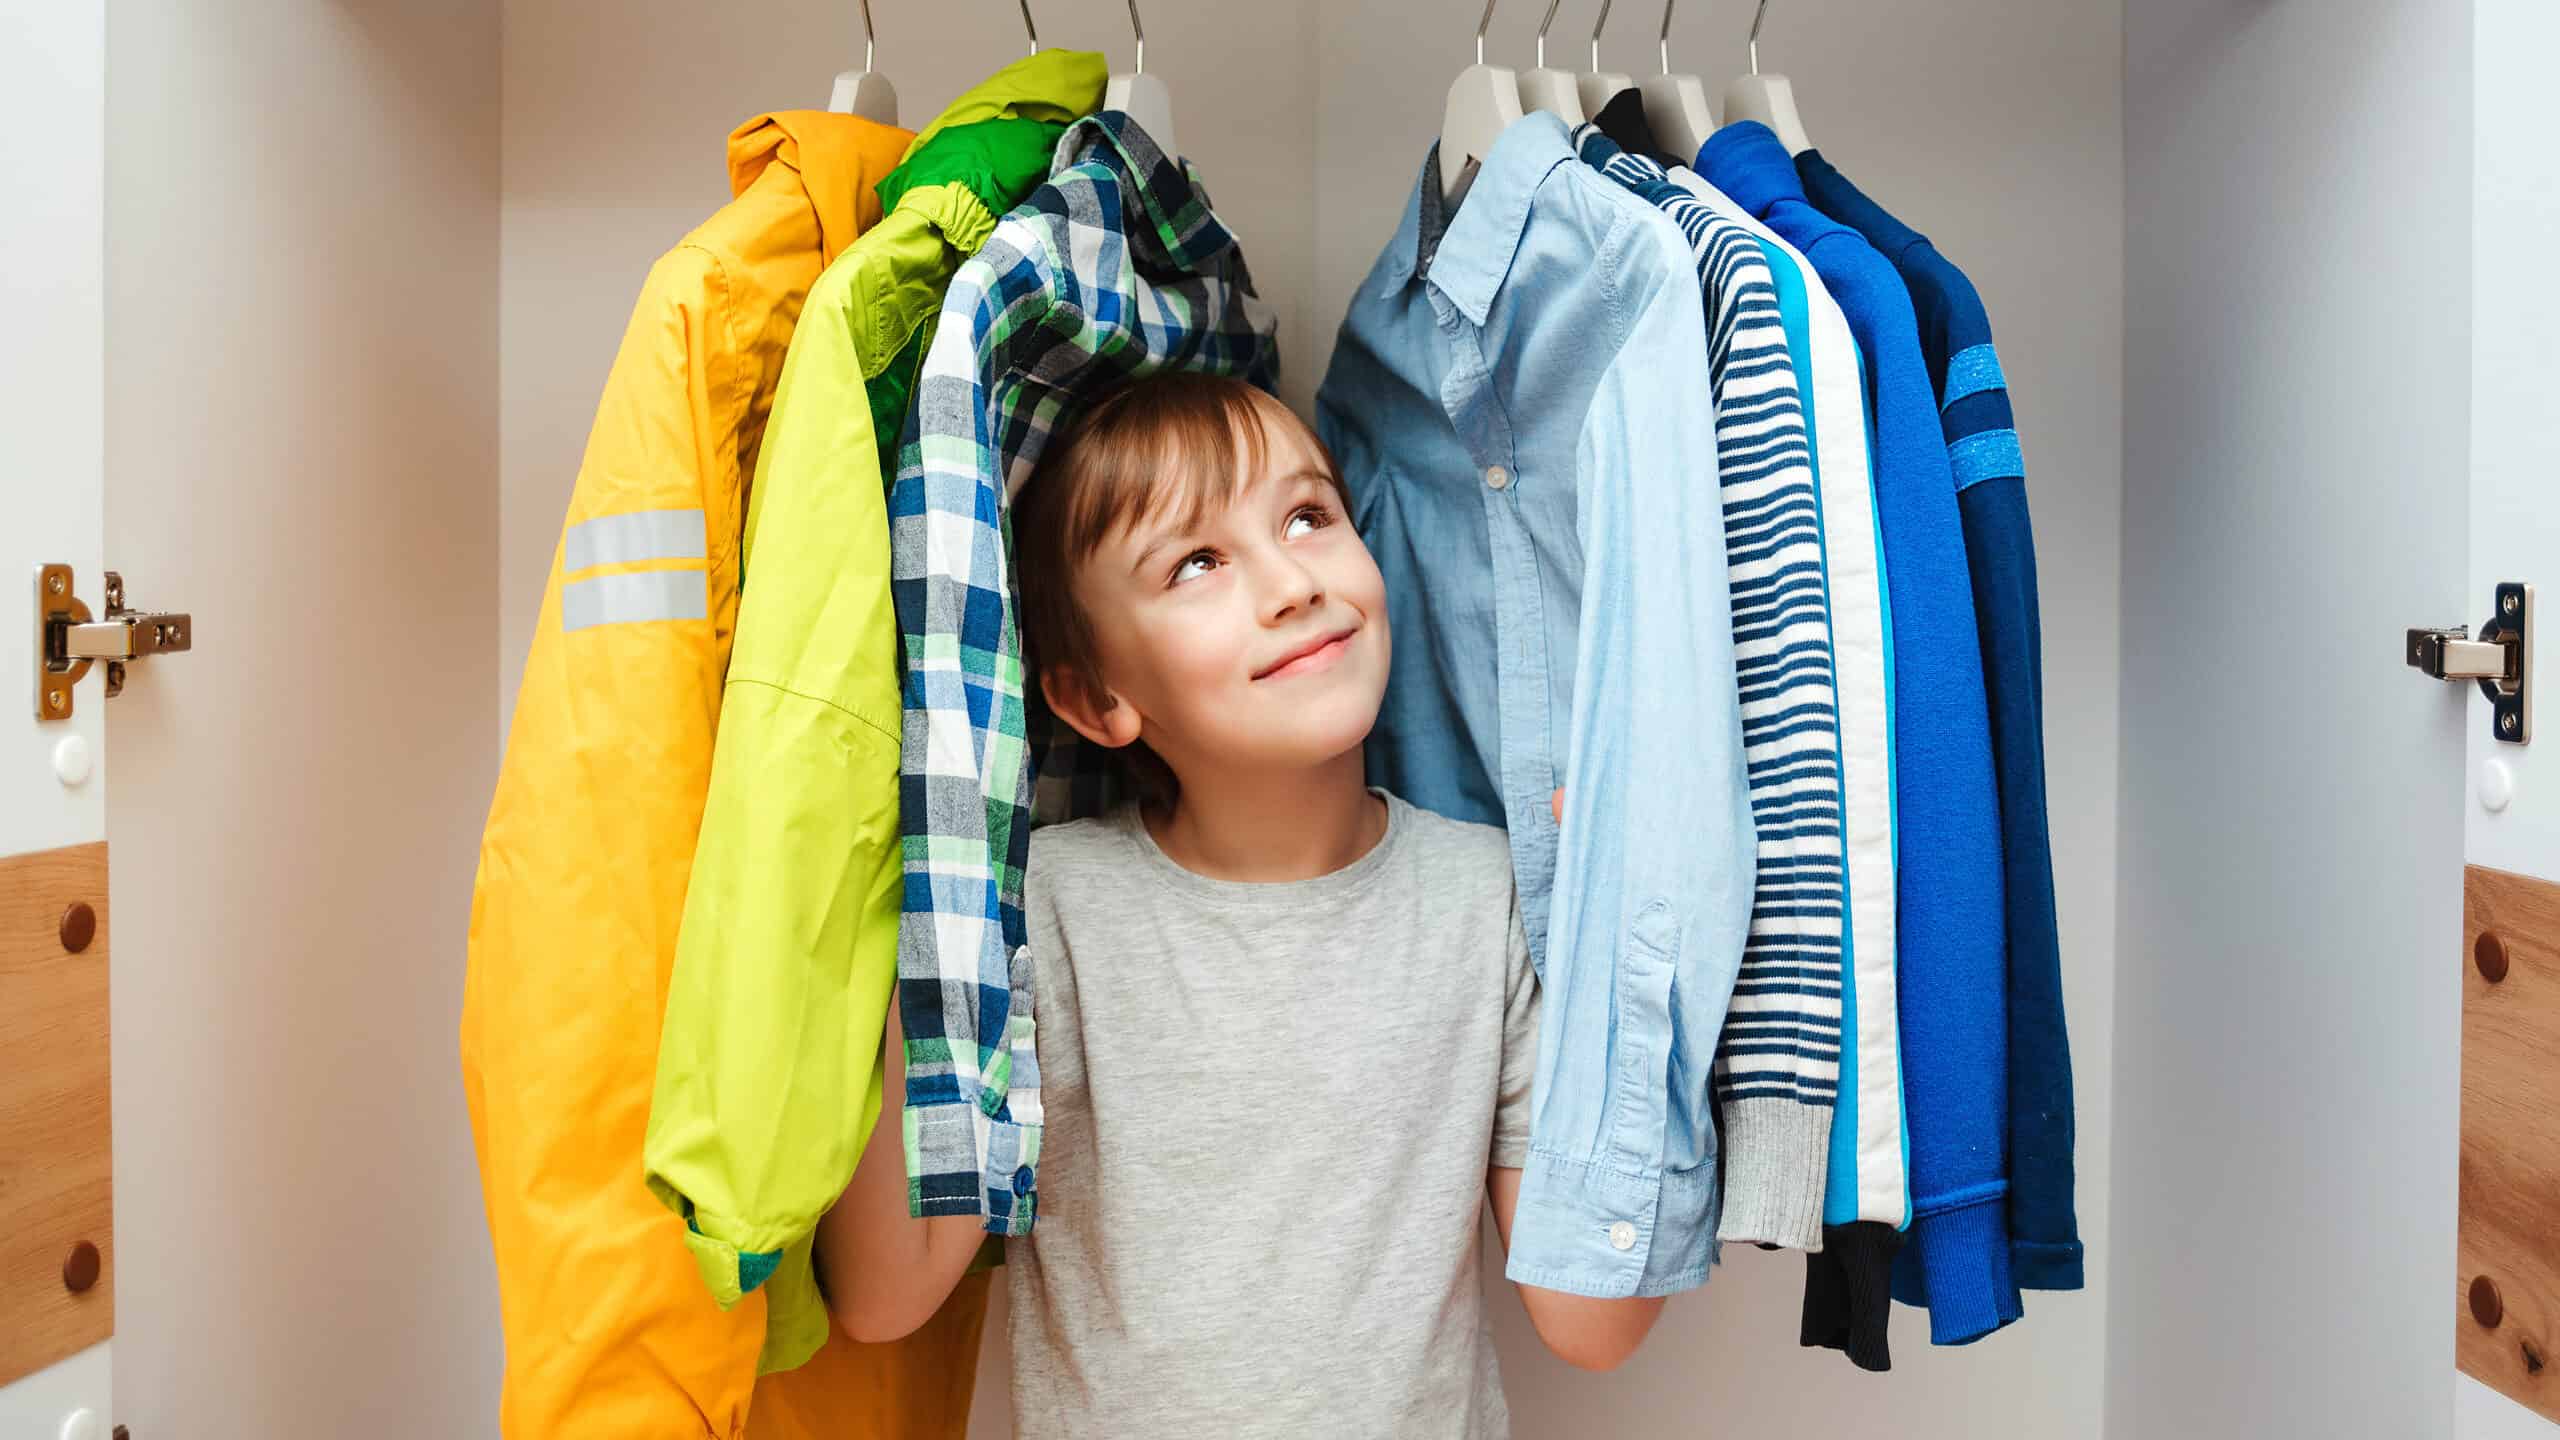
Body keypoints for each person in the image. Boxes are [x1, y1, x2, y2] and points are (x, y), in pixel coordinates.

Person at [817, 373, 1663, 1437]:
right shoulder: (1045, 910)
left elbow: (1593, 1326)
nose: (1289, 584)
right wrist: (930, 923)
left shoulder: (1484, 893)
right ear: (1096, 699)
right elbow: (881, 1298)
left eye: (1307, 517)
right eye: (1198, 562)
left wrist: (1620, 923)